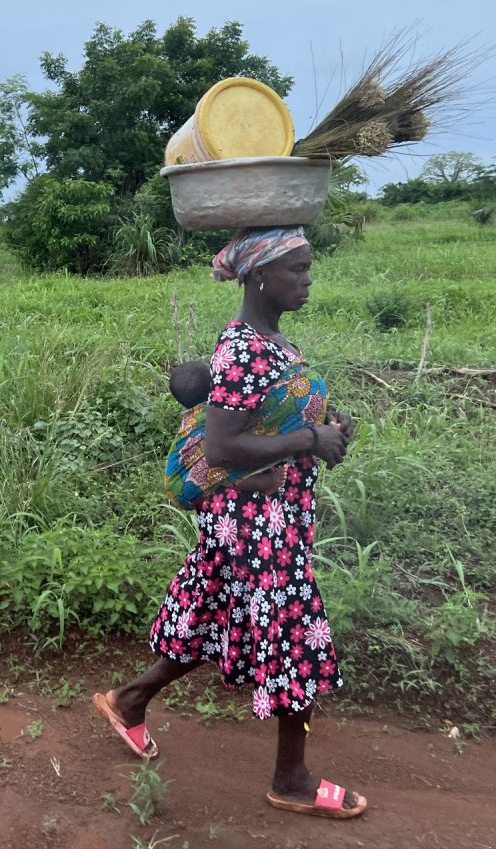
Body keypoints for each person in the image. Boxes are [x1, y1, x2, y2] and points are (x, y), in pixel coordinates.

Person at [93, 226, 367, 821]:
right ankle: (290, 779)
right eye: (297, 268)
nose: (307, 278)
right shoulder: (241, 347)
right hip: (256, 520)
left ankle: (129, 700)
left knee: (211, 611)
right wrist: (308, 439)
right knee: (295, 632)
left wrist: (326, 427)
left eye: (307, 267)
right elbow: (220, 447)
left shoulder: (273, 339)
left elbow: (275, 413)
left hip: (263, 513)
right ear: (259, 276)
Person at [168, 359, 289, 501]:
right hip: (202, 478)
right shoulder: (220, 411)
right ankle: (261, 483)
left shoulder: (189, 421)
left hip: (180, 483)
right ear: (216, 383)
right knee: (224, 465)